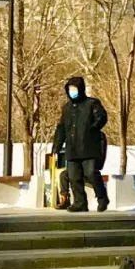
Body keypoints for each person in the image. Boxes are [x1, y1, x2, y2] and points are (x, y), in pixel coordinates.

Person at [52, 75, 110, 214]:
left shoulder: (92, 103)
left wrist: (93, 127)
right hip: (72, 148)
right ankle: (80, 202)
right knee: (73, 176)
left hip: (89, 146)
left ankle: (102, 198)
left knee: (91, 173)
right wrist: (57, 145)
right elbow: (61, 128)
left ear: (81, 89)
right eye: (70, 89)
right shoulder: (66, 108)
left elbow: (102, 117)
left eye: (75, 89)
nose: (72, 92)